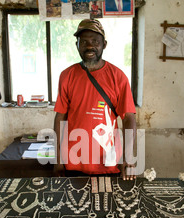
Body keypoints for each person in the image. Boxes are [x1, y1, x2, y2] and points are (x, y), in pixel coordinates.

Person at [54, 19, 137, 180]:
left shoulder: (118, 77)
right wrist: (57, 159)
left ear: (104, 44)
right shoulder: (67, 76)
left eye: (95, 41)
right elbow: (60, 117)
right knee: (72, 205)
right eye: (83, 41)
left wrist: (128, 156)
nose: (89, 46)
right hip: (73, 162)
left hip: (109, 163)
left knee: (109, 205)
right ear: (77, 45)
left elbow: (129, 118)